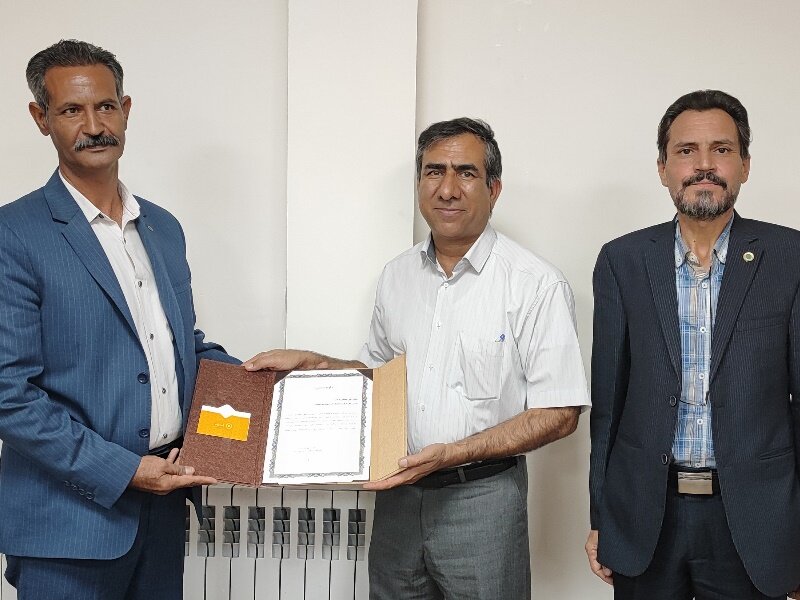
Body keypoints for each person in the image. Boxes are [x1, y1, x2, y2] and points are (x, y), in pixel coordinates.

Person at [246, 117, 590, 600]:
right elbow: (378, 379)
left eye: (465, 173)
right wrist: (317, 365)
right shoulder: (397, 276)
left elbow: (560, 412)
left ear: (493, 189)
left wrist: (454, 453)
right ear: (419, 183)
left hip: (483, 498)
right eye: (434, 172)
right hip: (398, 498)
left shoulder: (536, 285)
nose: (447, 189)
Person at [0, 40, 238, 598]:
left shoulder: (163, 227)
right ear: (41, 118)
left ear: (126, 110)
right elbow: (8, 393)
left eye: (105, 106)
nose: (94, 126)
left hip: (164, 507)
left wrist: (270, 385)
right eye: (71, 110)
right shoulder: (14, 234)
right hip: (68, 525)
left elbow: (180, 349)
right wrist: (124, 471)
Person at [586, 89, 800, 599]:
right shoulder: (622, 261)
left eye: (721, 149)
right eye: (686, 151)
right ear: (663, 168)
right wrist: (600, 518)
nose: (704, 165)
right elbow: (607, 409)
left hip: (756, 521)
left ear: (745, 165)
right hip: (646, 518)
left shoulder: (790, 257)